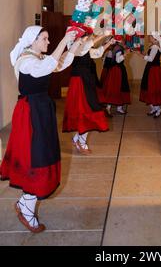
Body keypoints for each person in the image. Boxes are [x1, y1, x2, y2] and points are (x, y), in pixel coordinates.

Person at [0, 26, 79, 233]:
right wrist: (64, 40)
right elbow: (47, 66)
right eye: (44, 38)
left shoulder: (37, 58)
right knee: (36, 157)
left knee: (41, 155)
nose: (48, 42)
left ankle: (25, 203)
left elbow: (58, 64)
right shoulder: (27, 61)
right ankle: (26, 207)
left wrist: (74, 45)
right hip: (31, 114)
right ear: (33, 41)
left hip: (39, 111)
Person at [63, 34, 115, 154]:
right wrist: (103, 35)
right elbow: (86, 47)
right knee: (86, 110)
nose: (90, 38)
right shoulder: (74, 48)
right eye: (87, 36)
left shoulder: (84, 48)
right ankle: (81, 141)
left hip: (85, 81)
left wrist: (109, 43)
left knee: (89, 110)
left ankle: (77, 139)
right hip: (79, 83)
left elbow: (96, 53)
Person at [138, 32, 161, 118]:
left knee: (152, 88)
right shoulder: (153, 46)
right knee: (149, 88)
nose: (148, 37)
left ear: (154, 38)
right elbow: (150, 57)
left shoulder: (155, 47)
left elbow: (151, 59)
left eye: (150, 36)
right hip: (151, 69)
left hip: (153, 70)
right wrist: (144, 55)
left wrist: (141, 56)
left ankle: (158, 109)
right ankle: (154, 108)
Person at [102, 37, 131, 115]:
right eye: (124, 42)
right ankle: (118, 108)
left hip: (114, 70)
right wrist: (125, 54)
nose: (125, 44)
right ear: (120, 41)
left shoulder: (116, 47)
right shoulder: (119, 48)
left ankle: (110, 107)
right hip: (118, 70)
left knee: (113, 87)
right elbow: (118, 60)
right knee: (119, 87)